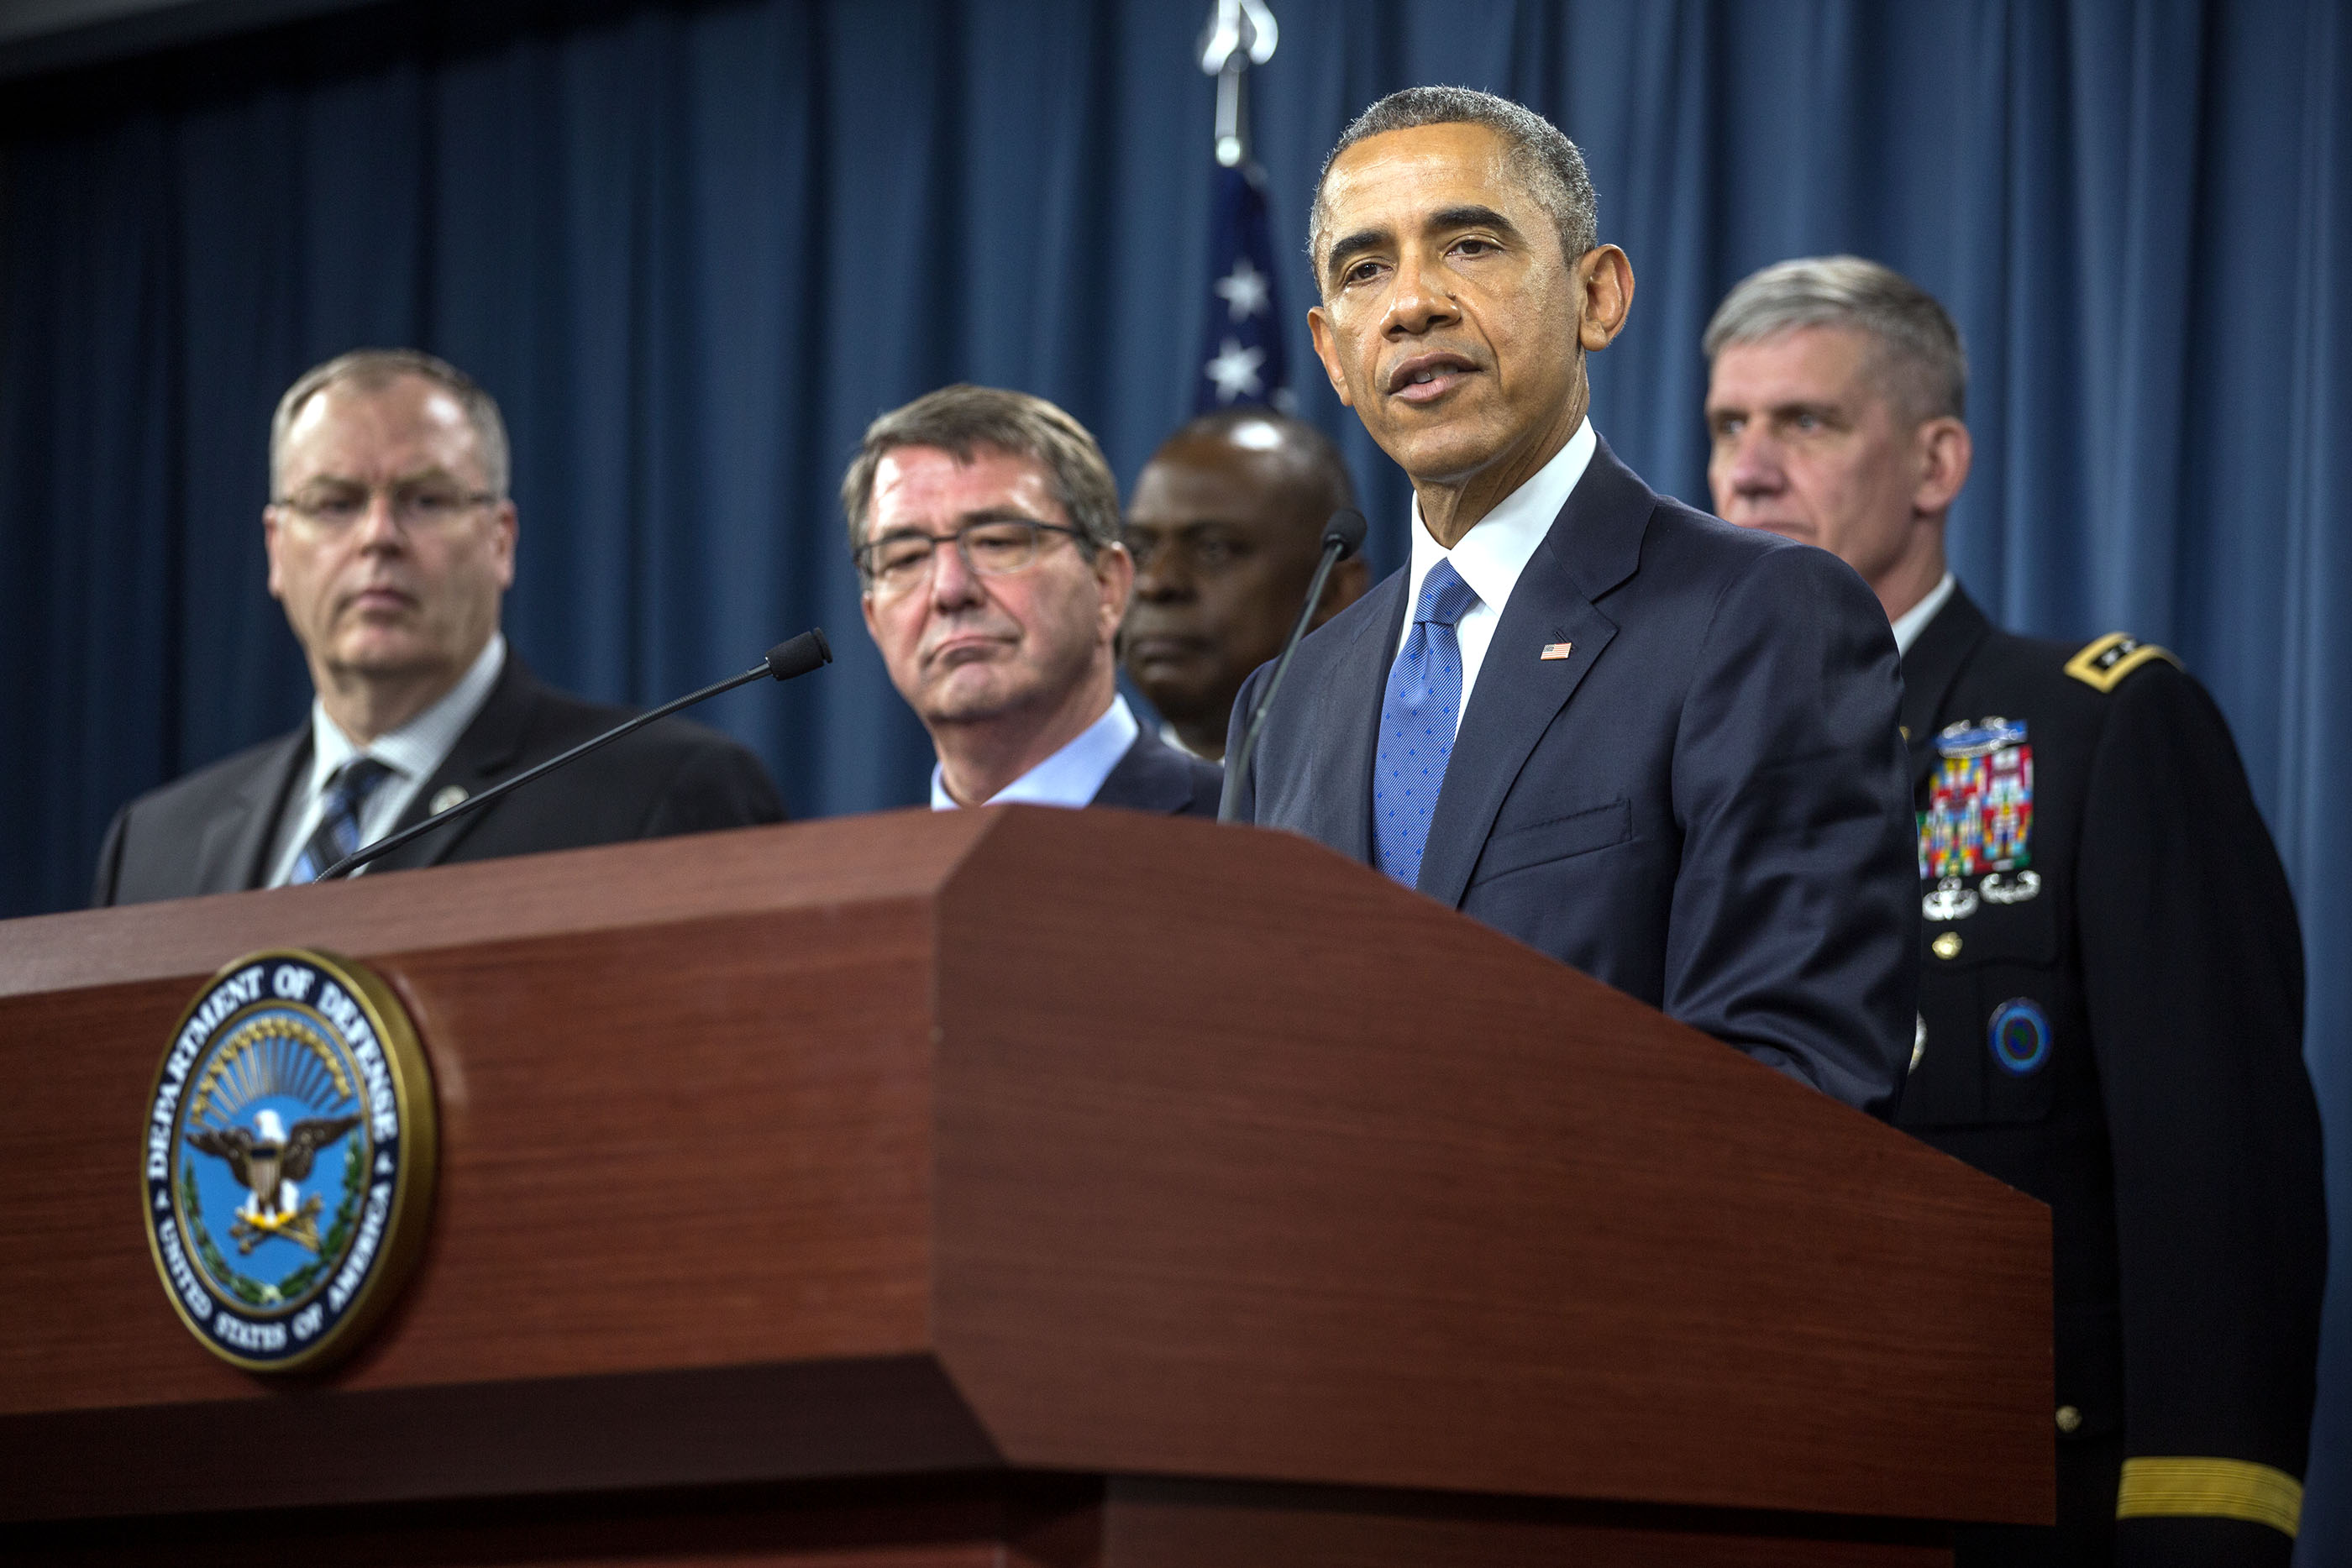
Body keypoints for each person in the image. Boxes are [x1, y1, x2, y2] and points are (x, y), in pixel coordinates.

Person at [1704, 255, 2324, 1565]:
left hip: (2019, 1508)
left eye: (1805, 422)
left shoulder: (2099, 725)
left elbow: (2218, 1182)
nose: (1749, 470)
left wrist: (2203, 1522)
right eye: (1726, 428)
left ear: (1936, 463)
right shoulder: (1680, 766)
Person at [1222, 87, 1915, 1114]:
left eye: (1468, 246)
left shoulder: (1759, 619)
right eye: (1366, 269)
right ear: (1328, 349)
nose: (1411, 302)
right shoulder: (1285, 703)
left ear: (1597, 297)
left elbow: (1792, 1081)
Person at [92, 349, 783, 905]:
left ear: (501, 540)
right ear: (276, 548)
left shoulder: (662, 797)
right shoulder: (154, 847)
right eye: (334, 503)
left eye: (425, 500)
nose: (378, 537)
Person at [847, 384, 1222, 816]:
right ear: (874, 621)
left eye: (996, 543)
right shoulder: (859, 877)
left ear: (1107, 586)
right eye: (907, 558)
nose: (949, 590)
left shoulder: (1247, 831)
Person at [1121, 408, 1368, 759]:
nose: (1155, 583)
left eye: (1213, 548)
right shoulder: (1072, 807)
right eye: (1140, 549)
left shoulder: (1395, 796)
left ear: (1333, 591)